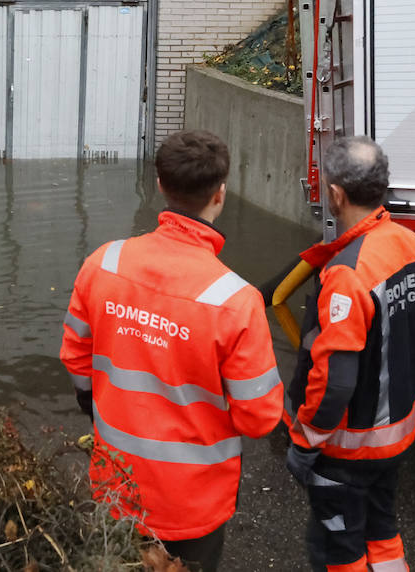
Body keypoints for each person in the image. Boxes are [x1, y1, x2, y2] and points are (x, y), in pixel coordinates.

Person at [59, 129, 283, 571]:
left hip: (116, 485)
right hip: (193, 502)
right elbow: (259, 417)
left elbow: (75, 360)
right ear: (220, 195)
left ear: (159, 185)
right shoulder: (236, 301)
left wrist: (97, 407)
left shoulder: (102, 264)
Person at [284, 136, 415, 572]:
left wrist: (305, 441)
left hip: (348, 450)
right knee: (383, 532)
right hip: (397, 433)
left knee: (339, 550)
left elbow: (335, 378)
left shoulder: (348, 274)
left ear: (336, 194)